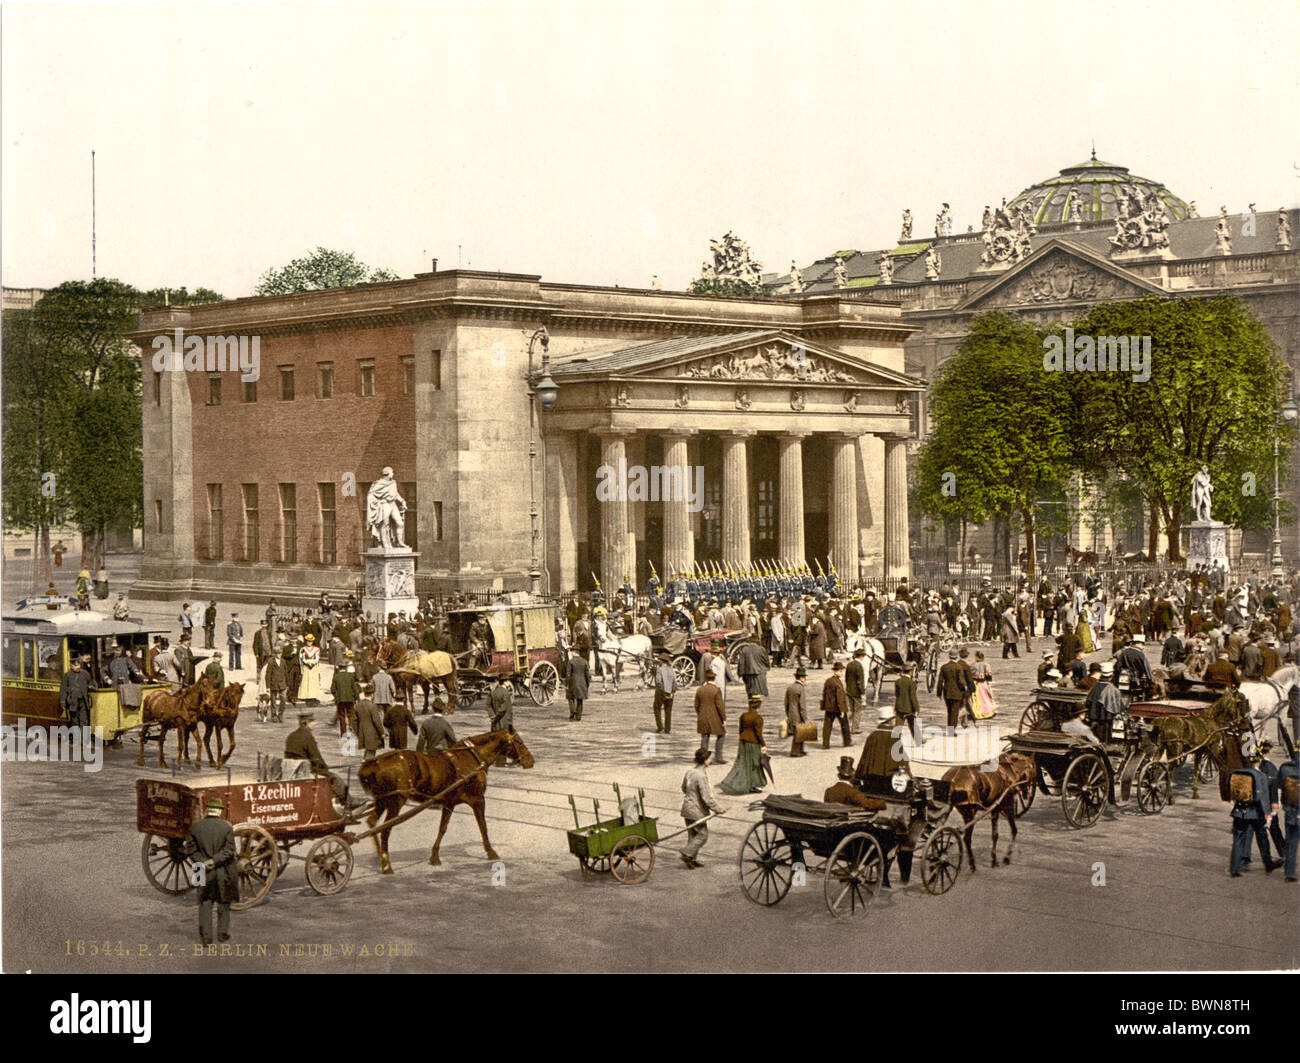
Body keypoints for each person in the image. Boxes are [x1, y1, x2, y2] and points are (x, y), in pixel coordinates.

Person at [182, 797, 237, 945]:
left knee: (204, 903)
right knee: (223, 902)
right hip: (222, 869)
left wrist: (202, 862)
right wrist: (214, 860)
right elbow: (230, 851)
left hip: (201, 870)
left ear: (207, 811)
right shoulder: (226, 828)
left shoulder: (196, 827)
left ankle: (206, 937)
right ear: (219, 811)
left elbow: (190, 849)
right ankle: (222, 933)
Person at [1228, 746, 1279, 877]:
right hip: (1255, 813)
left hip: (1239, 812)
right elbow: (1263, 798)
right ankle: (1268, 865)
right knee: (1262, 838)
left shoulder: (1237, 772)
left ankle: (1234, 869)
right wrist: (1268, 815)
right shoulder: (1260, 776)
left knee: (1238, 839)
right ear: (1259, 761)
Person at [284, 712, 348, 803]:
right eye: (312, 722)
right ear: (306, 723)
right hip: (307, 769)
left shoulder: (291, 736)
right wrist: (325, 768)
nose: (314, 724)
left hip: (293, 768)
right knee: (334, 777)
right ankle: (347, 801)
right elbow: (316, 757)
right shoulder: (307, 736)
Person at [679, 748, 724, 869]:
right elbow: (706, 797)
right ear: (704, 760)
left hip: (686, 808)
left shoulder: (690, 772)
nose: (710, 760)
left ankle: (691, 860)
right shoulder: (701, 776)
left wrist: (691, 794)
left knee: (693, 836)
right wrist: (718, 809)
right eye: (709, 758)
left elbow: (683, 788)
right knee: (702, 835)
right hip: (696, 811)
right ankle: (687, 853)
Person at [721, 694, 767, 795]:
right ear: (758, 705)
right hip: (753, 743)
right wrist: (763, 745)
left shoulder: (743, 716)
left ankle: (745, 784)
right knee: (754, 764)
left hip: (743, 742)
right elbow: (759, 734)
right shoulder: (758, 718)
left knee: (743, 763)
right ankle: (752, 785)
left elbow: (740, 729)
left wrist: (741, 739)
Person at [695, 668, 727, 763]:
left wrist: (700, 713)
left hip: (702, 717)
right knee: (721, 734)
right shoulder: (716, 690)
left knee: (704, 737)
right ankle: (718, 757)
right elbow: (720, 706)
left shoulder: (700, 690)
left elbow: (696, 705)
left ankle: (703, 758)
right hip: (714, 718)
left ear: (706, 678)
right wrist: (724, 718)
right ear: (714, 679)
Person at [1278, 750, 1299, 882]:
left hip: (1290, 810)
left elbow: (1280, 785)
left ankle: (1289, 872)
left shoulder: (1285, 768)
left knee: (1291, 842)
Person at [820, 660, 851, 749]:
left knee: (827, 726)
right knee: (845, 725)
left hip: (829, 708)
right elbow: (840, 697)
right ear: (835, 671)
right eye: (840, 671)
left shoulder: (828, 680)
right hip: (837, 708)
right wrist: (842, 710)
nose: (842, 673)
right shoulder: (838, 683)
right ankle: (847, 742)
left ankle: (825, 744)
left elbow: (824, 694)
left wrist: (824, 706)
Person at [937, 649, 970, 729]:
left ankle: (950, 728)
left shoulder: (944, 667)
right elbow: (961, 680)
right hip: (956, 692)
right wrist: (965, 689)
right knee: (954, 712)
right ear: (956, 656)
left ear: (949, 656)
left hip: (947, 692)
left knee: (949, 711)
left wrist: (939, 693)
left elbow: (940, 681)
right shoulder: (959, 667)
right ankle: (951, 730)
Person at [329, 660, 360, 736]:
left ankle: (343, 732)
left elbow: (332, 689)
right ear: (346, 667)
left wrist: (336, 697)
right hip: (350, 699)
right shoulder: (350, 676)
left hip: (340, 700)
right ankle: (351, 728)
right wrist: (357, 697)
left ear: (339, 668)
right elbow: (354, 688)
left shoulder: (336, 677)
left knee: (341, 716)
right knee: (351, 715)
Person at [59, 657, 92, 729]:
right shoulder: (67, 675)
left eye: (79, 665)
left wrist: (91, 687)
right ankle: (76, 739)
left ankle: (85, 739)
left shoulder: (85, 674)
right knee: (74, 722)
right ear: (71, 666)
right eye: (76, 665)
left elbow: (91, 683)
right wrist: (62, 702)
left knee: (84, 721)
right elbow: (63, 689)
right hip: (72, 702)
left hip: (83, 701)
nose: (78, 667)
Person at [735, 634, 770, 699]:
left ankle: (752, 706)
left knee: (750, 693)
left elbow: (741, 663)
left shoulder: (744, 649)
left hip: (748, 674)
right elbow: (766, 661)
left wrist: (740, 673)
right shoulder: (761, 649)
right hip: (760, 673)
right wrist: (766, 668)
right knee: (760, 693)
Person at [785, 667, 809, 757]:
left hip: (791, 713)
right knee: (798, 734)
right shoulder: (800, 688)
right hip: (798, 714)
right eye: (804, 677)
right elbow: (802, 705)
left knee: (798, 732)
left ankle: (800, 750)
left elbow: (786, 703)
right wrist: (805, 717)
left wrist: (788, 713)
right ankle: (795, 751)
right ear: (802, 678)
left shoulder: (790, 687)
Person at [652, 649, 675, 734]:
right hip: (670, 692)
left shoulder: (660, 669)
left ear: (662, 661)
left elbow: (658, 681)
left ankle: (660, 727)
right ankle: (667, 729)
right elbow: (674, 682)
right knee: (668, 711)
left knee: (657, 708)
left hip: (661, 692)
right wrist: (672, 691)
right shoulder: (671, 669)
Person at [894, 659, 920, 733]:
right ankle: (918, 740)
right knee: (913, 725)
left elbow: (897, 695)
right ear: (911, 672)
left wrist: (896, 707)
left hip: (899, 707)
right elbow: (913, 697)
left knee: (898, 726)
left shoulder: (897, 682)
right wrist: (916, 708)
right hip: (909, 708)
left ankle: (894, 741)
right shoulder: (911, 683)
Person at [845, 647, 867, 735]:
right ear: (861, 656)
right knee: (858, 710)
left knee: (852, 710)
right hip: (856, 692)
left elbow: (846, 678)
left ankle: (848, 726)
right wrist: (862, 693)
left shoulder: (849, 664)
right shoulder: (859, 666)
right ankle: (855, 728)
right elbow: (860, 682)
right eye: (863, 656)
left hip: (849, 690)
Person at [970, 651, 996, 720]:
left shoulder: (973, 665)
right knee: (986, 698)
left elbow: (969, 674)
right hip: (983, 683)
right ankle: (988, 712)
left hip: (976, 683)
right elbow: (989, 676)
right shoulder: (986, 664)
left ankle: (978, 713)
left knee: (977, 699)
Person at [567, 646, 590, 721]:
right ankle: (578, 716)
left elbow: (568, 674)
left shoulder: (571, 661)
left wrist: (567, 683)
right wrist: (587, 684)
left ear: (574, 652)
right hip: (582, 683)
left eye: (571, 652)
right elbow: (587, 675)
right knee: (580, 700)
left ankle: (572, 712)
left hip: (572, 683)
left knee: (570, 698)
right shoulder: (584, 661)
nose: (571, 653)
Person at [264, 651, 287, 723]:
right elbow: (268, 675)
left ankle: (280, 715)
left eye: (280, 653)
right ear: (275, 654)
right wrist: (268, 687)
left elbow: (286, 672)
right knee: (273, 701)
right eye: (277, 653)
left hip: (282, 683)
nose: (279, 655)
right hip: (273, 684)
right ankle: (274, 716)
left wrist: (287, 683)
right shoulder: (271, 662)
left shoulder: (283, 661)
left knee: (283, 699)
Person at [298, 634, 321, 702]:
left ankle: (313, 695)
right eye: (308, 641)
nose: (309, 642)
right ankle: (305, 695)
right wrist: (307, 662)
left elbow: (317, 658)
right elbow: (301, 658)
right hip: (306, 666)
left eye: (310, 641)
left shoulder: (316, 649)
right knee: (306, 680)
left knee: (313, 681)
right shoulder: (303, 649)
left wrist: (313, 662)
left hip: (314, 667)